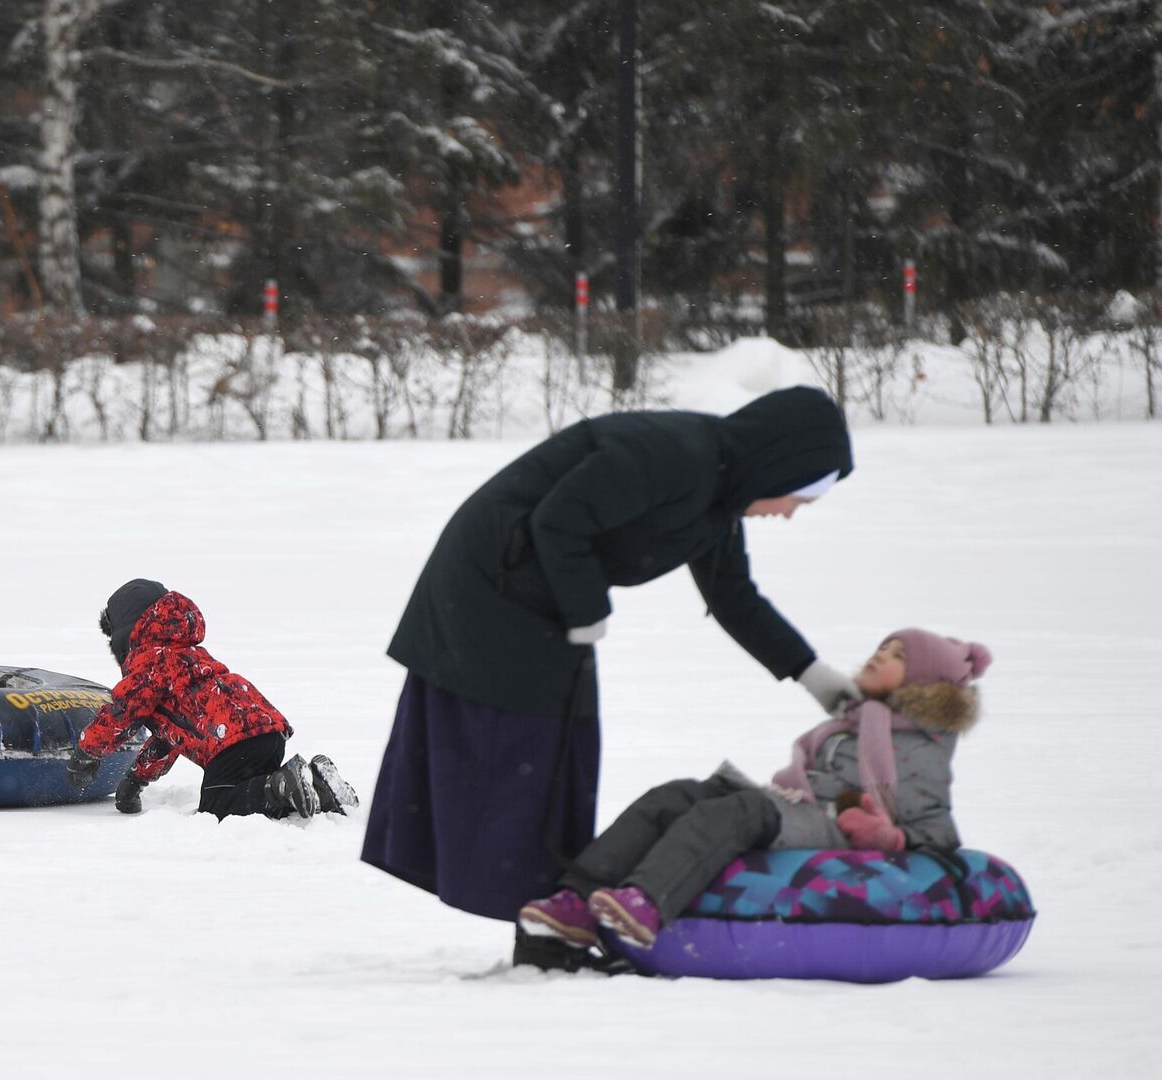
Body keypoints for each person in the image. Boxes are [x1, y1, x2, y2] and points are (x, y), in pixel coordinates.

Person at [360, 386, 860, 962]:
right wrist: (586, 612)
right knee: (532, 752)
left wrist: (813, 675)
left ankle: (549, 920)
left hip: (531, 590)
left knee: (561, 753)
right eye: (800, 496)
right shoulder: (674, 454)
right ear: (781, 465)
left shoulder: (720, 494)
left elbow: (734, 597)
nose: (789, 513)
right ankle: (543, 929)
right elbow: (559, 520)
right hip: (494, 585)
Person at [518, 627, 990, 960]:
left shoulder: (923, 744)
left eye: (898, 656)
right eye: (883, 647)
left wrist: (889, 838)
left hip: (835, 828)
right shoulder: (856, 723)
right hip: (802, 806)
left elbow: (937, 829)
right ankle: (577, 900)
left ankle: (647, 901)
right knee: (678, 796)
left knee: (738, 811)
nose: (880, 655)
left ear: (926, 683)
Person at [66, 579, 360, 820]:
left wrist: (87, 752)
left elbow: (123, 712)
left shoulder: (151, 663)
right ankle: (315, 783)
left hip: (231, 743)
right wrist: (136, 779)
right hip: (266, 732)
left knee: (218, 806)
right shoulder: (188, 655)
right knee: (251, 793)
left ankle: (280, 786)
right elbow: (170, 737)